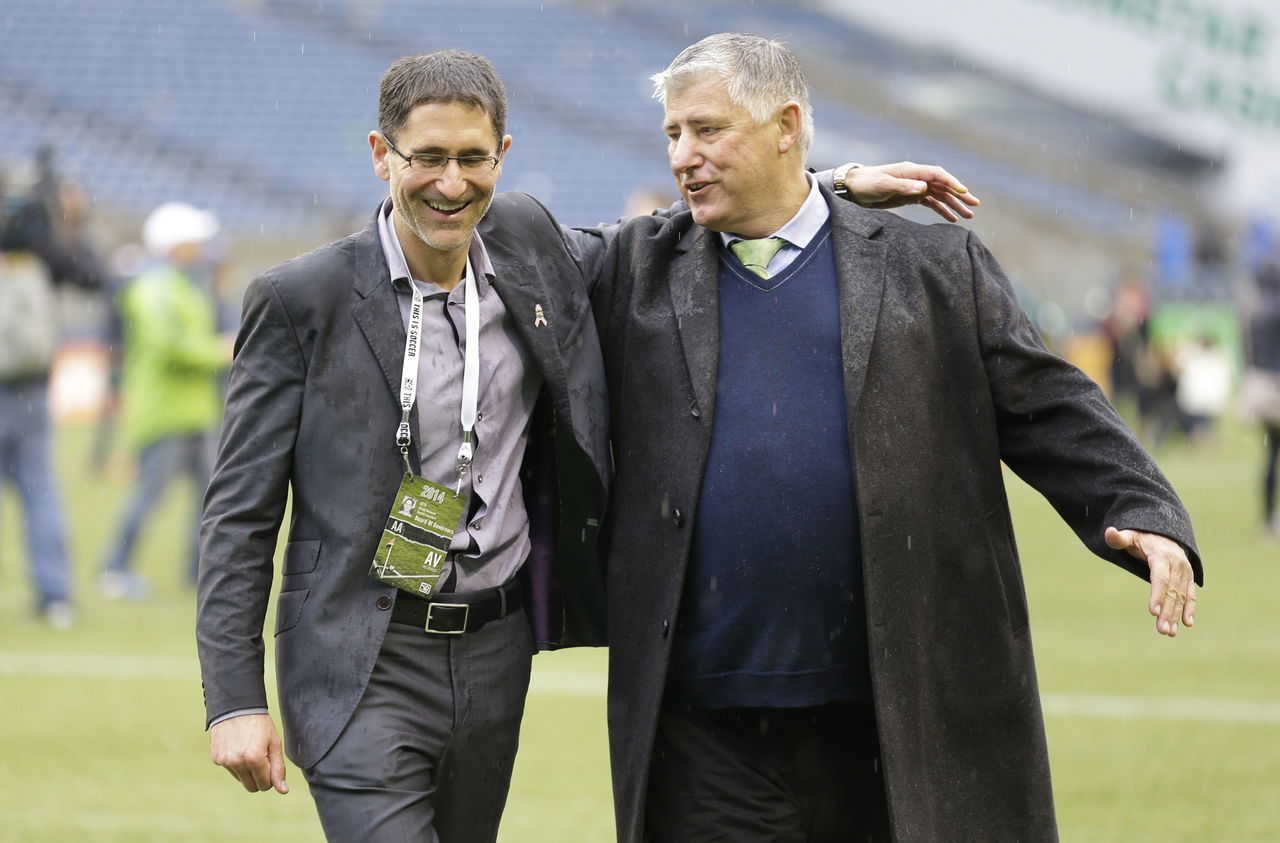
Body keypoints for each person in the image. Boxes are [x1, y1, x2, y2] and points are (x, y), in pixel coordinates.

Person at [195, 50, 974, 843]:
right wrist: (233, 698)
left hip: (496, 652)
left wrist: (830, 187)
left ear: (503, 154)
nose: (451, 183)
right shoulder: (302, 299)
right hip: (360, 654)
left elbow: (658, 235)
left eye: (472, 158)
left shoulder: (532, 246)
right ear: (379, 155)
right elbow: (239, 513)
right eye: (426, 158)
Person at [589, 33, 1201, 842]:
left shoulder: (936, 268)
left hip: (892, 715)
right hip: (704, 729)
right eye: (673, 135)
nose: (684, 156)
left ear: (786, 125)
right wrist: (834, 179)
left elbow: (1051, 407)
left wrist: (1148, 515)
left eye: (707, 130)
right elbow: (515, 246)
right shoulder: (638, 270)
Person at [0, 152, 110, 627]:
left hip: (23, 386)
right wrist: (65, 219)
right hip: (26, 389)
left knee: (39, 491)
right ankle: (55, 596)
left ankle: (54, 593)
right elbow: (90, 275)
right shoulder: (38, 249)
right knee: (39, 492)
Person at [99, 201, 231, 599]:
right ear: (175, 244)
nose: (201, 247)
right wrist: (220, 350)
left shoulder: (184, 285)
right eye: (194, 240)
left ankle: (197, 573)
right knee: (148, 495)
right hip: (163, 412)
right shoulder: (153, 287)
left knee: (209, 499)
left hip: (196, 412)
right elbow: (170, 345)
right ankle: (114, 570)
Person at [1242, 254, 1280, 534]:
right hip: (1277, 386)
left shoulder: (1253, 310)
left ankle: (1268, 518)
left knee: (1271, 454)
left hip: (1259, 385)